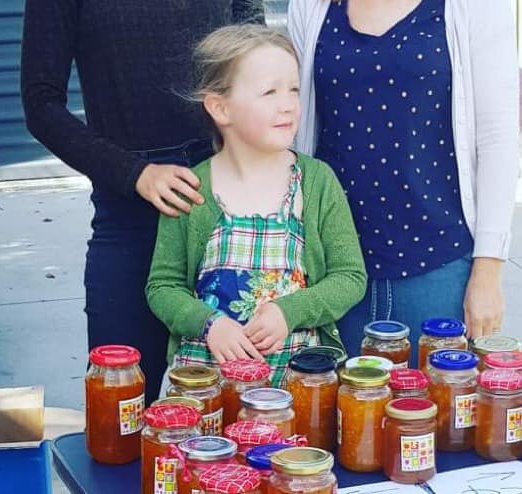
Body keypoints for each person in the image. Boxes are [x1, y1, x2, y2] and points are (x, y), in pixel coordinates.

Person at [21, 0, 263, 401]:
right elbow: (41, 106)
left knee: (229, 415)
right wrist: (136, 174)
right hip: (128, 223)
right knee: (124, 415)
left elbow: (258, 92)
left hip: (225, 224)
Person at [287, 0, 519, 364]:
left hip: (439, 273)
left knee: (438, 446)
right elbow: (288, 140)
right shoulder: (311, 0)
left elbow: (496, 136)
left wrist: (487, 270)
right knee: (333, 447)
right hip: (331, 280)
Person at [146, 25, 367, 387]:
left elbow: (350, 278)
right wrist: (209, 324)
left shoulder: (315, 182)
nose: (288, 104)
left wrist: (288, 311)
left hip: (297, 387)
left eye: (294, 89)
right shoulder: (191, 189)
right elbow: (163, 286)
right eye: (269, 92)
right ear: (220, 107)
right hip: (204, 386)